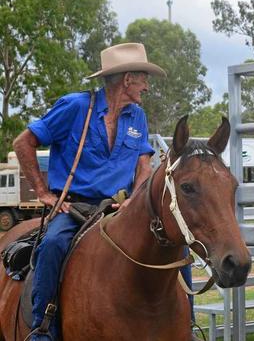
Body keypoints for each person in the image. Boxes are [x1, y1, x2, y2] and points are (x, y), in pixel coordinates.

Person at [13, 43, 193, 340]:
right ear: (127, 80)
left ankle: (187, 326)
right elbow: (23, 142)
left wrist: (134, 200)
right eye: (143, 78)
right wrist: (43, 193)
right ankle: (42, 329)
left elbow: (144, 166)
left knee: (176, 245)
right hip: (75, 209)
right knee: (53, 245)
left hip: (120, 207)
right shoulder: (75, 107)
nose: (146, 87)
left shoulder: (137, 116)